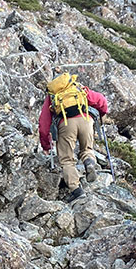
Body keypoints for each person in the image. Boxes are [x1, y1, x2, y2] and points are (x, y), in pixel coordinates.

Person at [38, 72, 109, 203]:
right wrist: (103, 113)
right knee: (87, 149)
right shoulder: (77, 88)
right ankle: (89, 162)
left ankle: (77, 191)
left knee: (66, 159)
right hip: (86, 120)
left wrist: (46, 145)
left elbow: (44, 123)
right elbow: (101, 100)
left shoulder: (52, 96)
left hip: (66, 124)